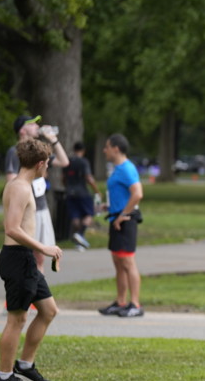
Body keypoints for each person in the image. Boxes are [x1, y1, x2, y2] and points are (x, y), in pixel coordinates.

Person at [0, 138, 63, 381]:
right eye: (48, 164)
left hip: (25, 259)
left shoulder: (22, 185)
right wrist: (43, 247)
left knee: (48, 310)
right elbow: (12, 228)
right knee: (17, 319)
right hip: (17, 258)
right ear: (40, 164)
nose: (48, 168)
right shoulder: (20, 188)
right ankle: (3, 377)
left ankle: (24, 366)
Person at [4, 114, 69, 273]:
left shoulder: (38, 151)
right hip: (26, 208)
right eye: (32, 124)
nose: (37, 127)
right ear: (22, 130)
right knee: (28, 255)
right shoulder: (14, 152)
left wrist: (53, 140)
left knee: (40, 258)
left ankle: (37, 285)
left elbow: (64, 161)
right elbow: (11, 180)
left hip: (41, 207)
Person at [98, 134, 145, 317]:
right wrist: (110, 207)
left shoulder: (127, 168)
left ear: (116, 149)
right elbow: (123, 194)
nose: (105, 150)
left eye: (107, 147)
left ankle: (135, 304)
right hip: (115, 218)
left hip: (125, 221)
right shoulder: (117, 169)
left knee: (127, 262)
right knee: (118, 262)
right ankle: (121, 302)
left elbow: (137, 194)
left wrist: (123, 214)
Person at [62, 141, 100, 250]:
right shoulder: (83, 162)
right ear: (83, 150)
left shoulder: (67, 162)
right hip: (83, 192)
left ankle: (79, 242)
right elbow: (88, 177)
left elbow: (63, 178)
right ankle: (80, 234)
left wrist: (68, 187)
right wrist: (96, 190)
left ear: (74, 149)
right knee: (89, 214)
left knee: (75, 217)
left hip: (70, 192)